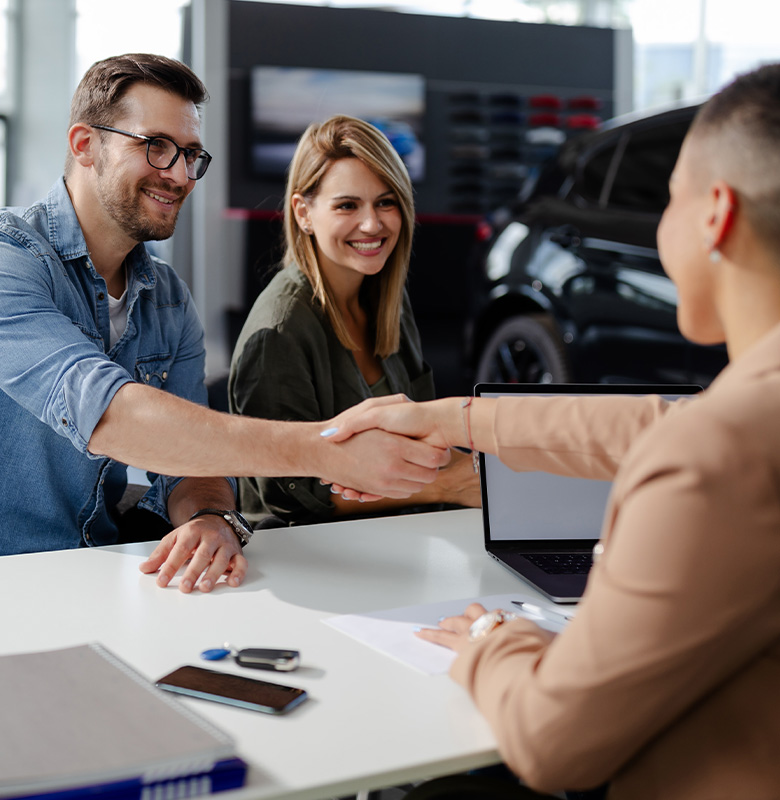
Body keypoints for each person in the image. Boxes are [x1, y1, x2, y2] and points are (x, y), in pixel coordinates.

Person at [325, 63, 780, 798]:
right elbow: (665, 421)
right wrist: (458, 418)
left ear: (715, 215)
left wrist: (490, 641)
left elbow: (550, 741)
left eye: (665, 201)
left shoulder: (716, 460)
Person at [0, 54, 446, 588]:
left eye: (190, 154)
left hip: (86, 573)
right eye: (155, 146)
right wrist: (326, 449)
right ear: (85, 144)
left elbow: (192, 468)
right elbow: (110, 416)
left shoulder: (167, 297)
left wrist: (208, 517)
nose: (178, 174)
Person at [229, 115, 482, 524]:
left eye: (386, 201)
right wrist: (450, 484)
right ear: (304, 213)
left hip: (404, 536)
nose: (373, 224)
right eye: (348, 205)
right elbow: (290, 498)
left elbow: (423, 433)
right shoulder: (278, 332)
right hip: (314, 558)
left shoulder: (387, 300)